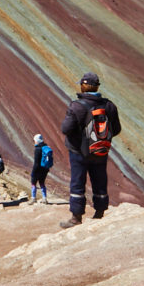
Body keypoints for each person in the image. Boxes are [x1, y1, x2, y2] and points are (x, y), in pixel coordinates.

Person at [59, 72, 121, 228]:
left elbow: (66, 129)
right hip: (100, 151)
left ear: (83, 86)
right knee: (100, 180)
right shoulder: (109, 106)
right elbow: (117, 129)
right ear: (97, 86)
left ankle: (76, 217)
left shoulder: (76, 106)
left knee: (78, 182)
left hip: (78, 152)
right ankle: (100, 212)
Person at [29, 133, 50, 204]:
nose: (34, 141)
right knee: (42, 183)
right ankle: (44, 198)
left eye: (34, 140)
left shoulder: (37, 149)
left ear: (37, 141)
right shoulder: (46, 147)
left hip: (38, 169)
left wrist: (33, 171)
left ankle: (33, 198)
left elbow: (36, 162)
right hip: (45, 169)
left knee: (33, 183)